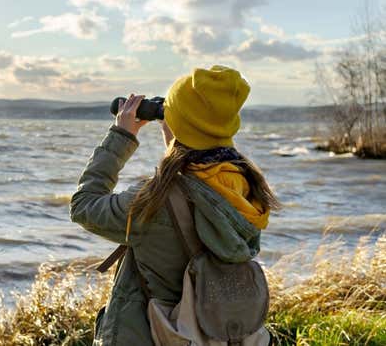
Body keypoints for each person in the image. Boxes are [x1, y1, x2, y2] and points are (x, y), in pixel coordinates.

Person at [69, 65, 280, 346]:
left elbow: (84, 206)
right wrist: (178, 139)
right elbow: (194, 187)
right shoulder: (244, 187)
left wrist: (121, 136)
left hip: (152, 335)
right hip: (211, 332)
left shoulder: (154, 201)